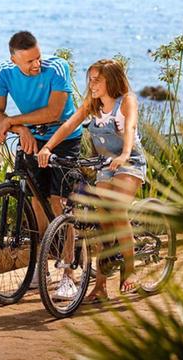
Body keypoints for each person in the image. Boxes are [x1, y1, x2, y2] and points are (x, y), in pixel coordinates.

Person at [38, 58, 147, 302]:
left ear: (112, 80)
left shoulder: (126, 101)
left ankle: (130, 270)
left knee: (116, 211)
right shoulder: (93, 104)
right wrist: (47, 147)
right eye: (90, 79)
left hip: (129, 163)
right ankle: (100, 287)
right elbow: (69, 124)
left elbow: (129, 128)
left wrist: (125, 153)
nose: (92, 84)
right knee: (102, 224)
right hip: (105, 166)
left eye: (97, 79)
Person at [0, 31, 81, 291]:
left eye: (37, 57)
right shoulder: (4, 73)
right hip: (33, 139)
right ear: (14, 59)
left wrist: (13, 120)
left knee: (61, 203)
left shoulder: (57, 68)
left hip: (64, 137)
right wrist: (20, 129)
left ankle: (68, 273)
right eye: (28, 61)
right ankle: (42, 270)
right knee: (36, 203)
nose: (36, 64)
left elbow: (54, 113)